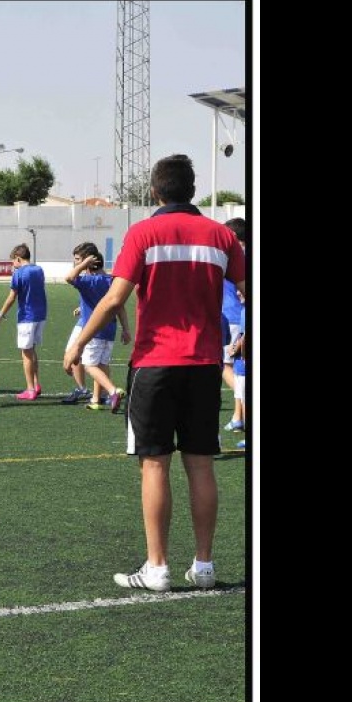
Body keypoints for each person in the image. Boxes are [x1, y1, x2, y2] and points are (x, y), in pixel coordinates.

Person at [63, 154, 246, 592]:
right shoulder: (222, 236)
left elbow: (113, 299)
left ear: (154, 191)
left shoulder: (143, 232)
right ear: (193, 188)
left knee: (155, 465)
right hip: (204, 365)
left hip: (156, 362)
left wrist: (78, 343)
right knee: (201, 464)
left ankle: (158, 567)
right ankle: (204, 566)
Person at [63, 251, 132, 412]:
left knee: (89, 365)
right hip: (110, 329)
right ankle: (97, 399)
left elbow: (69, 278)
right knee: (102, 364)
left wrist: (82, 265)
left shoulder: (88, 281)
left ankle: (113, 391)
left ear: (88, 265)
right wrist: (126, 329)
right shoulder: (111, 282)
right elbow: (119, 306)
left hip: (93, 331)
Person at [0, 243, 48, 400]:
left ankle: (30, 389)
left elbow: (12, 297)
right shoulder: (39, 270)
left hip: (27, 316)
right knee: (32, 350)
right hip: (41, 314)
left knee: (26, 353)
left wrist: (0, 315)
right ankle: (36, 384)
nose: (12, 265)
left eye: (13, 261)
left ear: (18, 258)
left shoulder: (19, 273)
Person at [61, 242, 101, 405]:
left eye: (78, 259)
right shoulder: (89, 276)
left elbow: (70, 278)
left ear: (88, 260)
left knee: (90, 360)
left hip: (91, 323)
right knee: (72, 356)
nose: (75, 262)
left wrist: (83, 264)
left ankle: (98, 392)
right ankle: (84, 389)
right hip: (83, 319)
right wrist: (81, 306)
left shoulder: (96, 276)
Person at [221, 217, 249, 433]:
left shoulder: (235, 256)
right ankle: (238, 416)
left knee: (226, 367)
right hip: (236, 317)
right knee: (237, 369)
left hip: (231, 316)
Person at [228, 307, 247, 450]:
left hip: (243, 365)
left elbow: (245, 337)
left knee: (245, 399)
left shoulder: (245, 310)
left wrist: (235, 349)